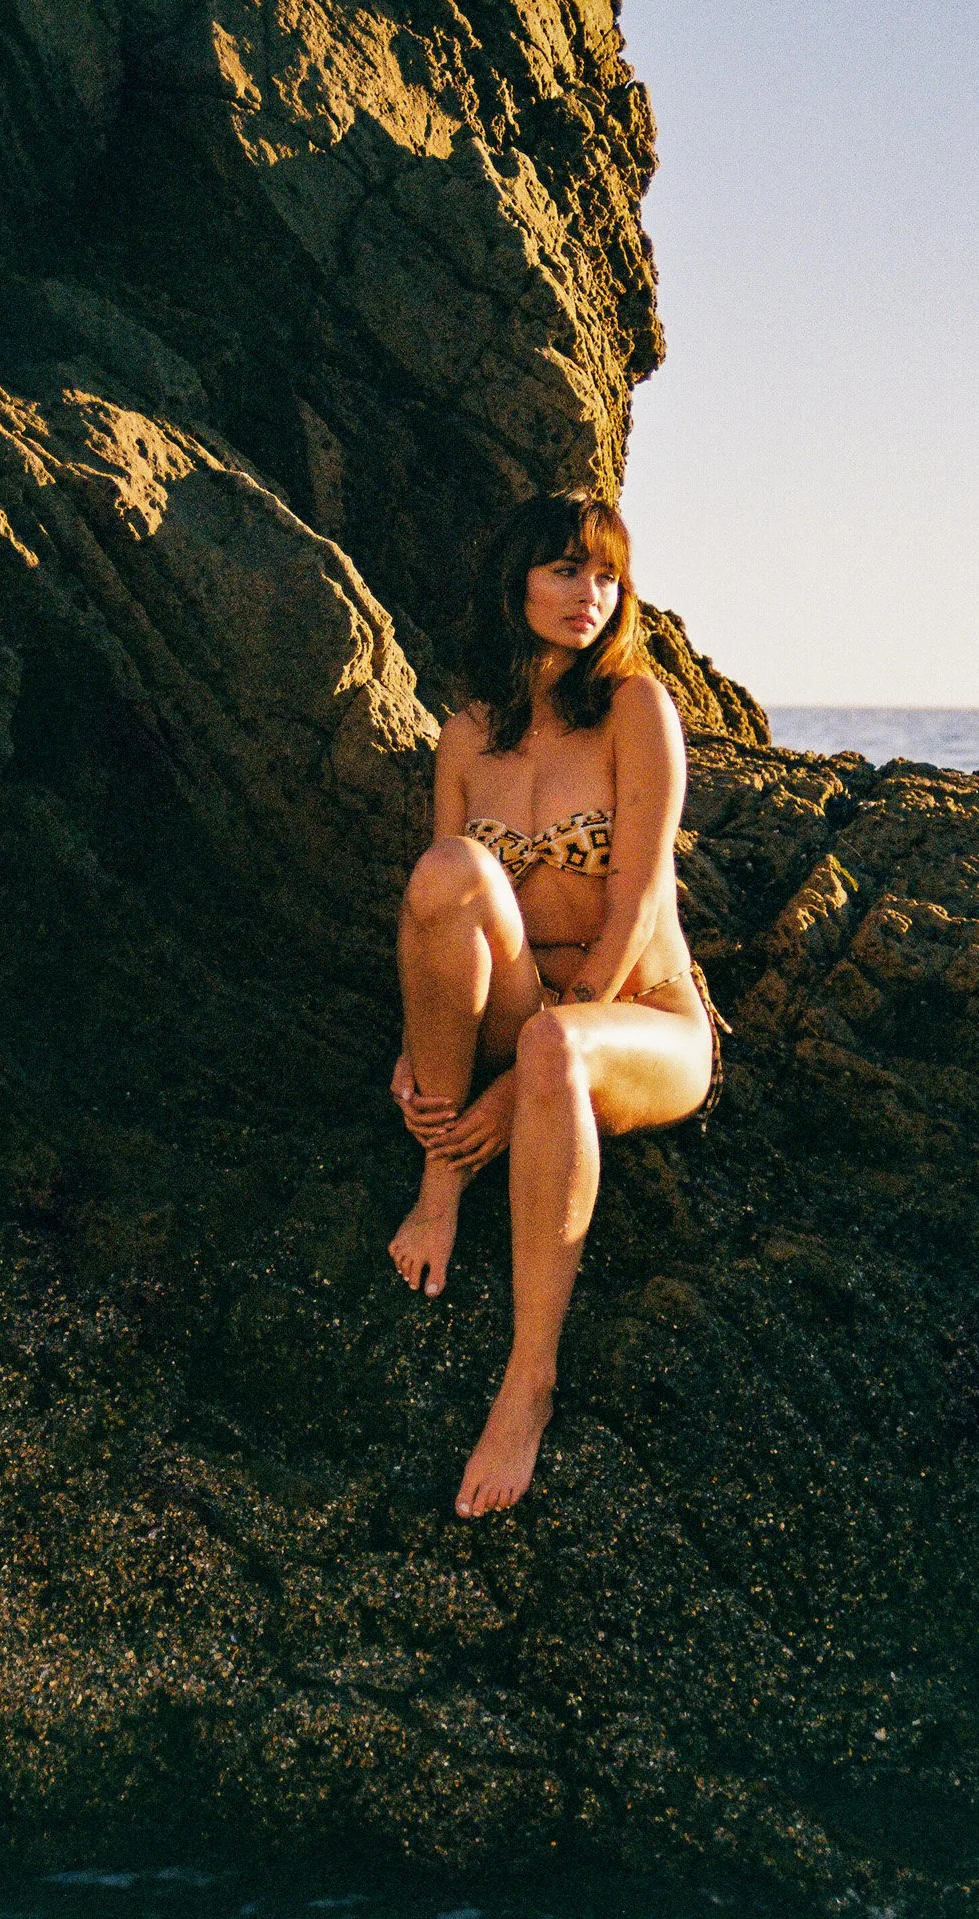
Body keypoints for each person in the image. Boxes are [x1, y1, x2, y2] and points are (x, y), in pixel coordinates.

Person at [389, 492, 723, 1520]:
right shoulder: (465, 737)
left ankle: (528, 1382)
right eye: (567, 569)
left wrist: (525, 1066)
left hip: (643, 1017)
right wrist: (419, 1040)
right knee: (449, 868)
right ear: (516, 581)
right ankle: (441, 1183)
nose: (591, 595)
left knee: (554, 1052)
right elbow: (444, 915)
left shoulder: (635, 709)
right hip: (527, 1001)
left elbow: (639, 904)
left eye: (608, 576)